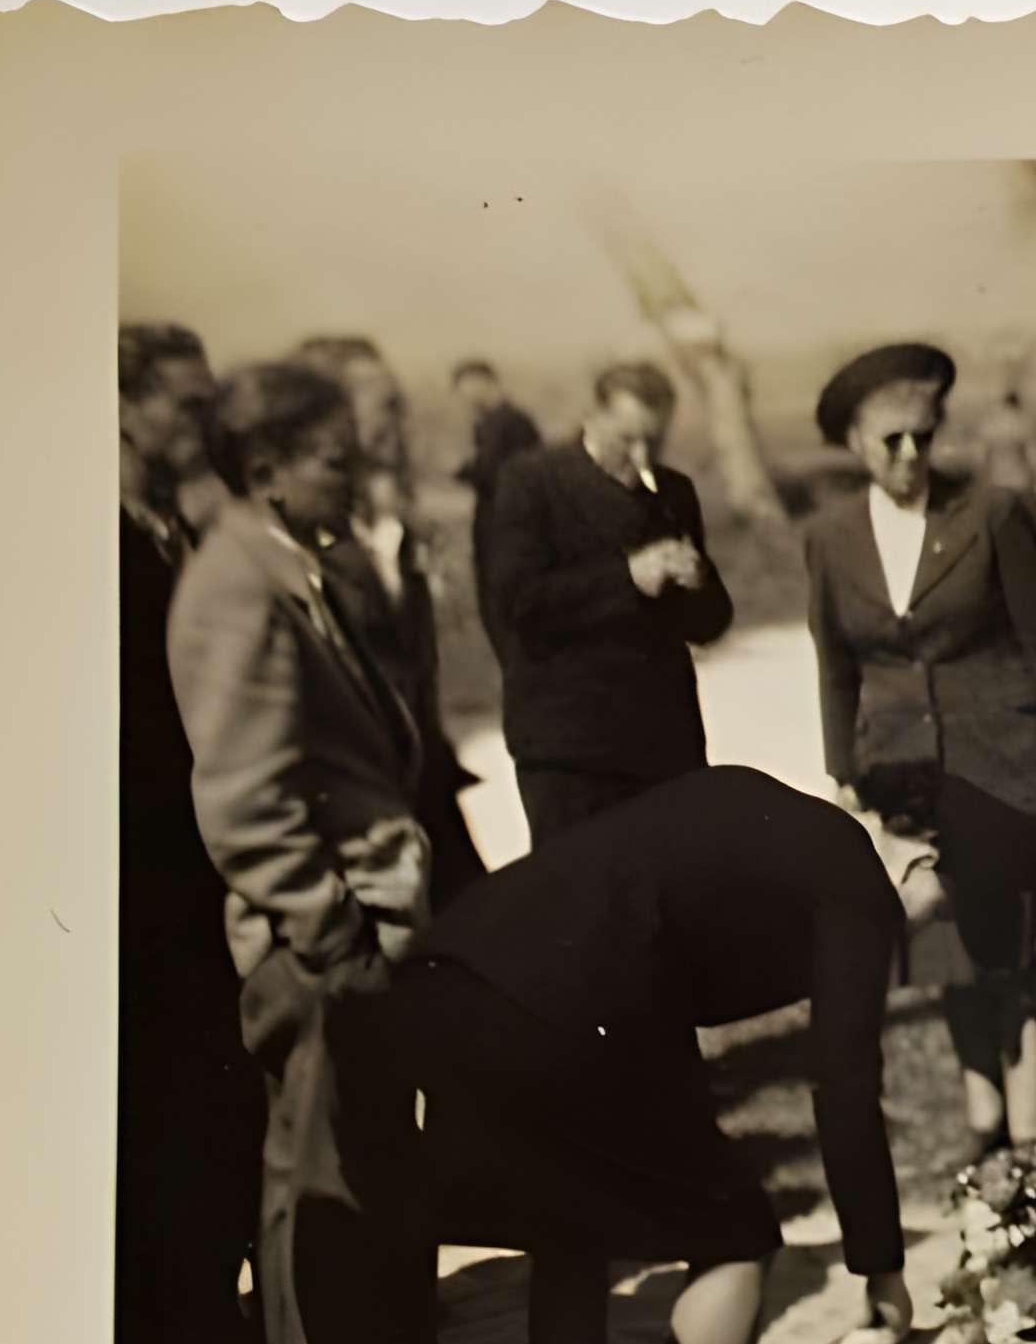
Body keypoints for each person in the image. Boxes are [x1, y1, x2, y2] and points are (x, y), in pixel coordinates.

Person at [391, 767, 928, 1344]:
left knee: (568, 1228)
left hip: (448, 981)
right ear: (924, 859)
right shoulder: (855, 878)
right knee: (736, 1235)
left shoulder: (762, 825)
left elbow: (650, 972)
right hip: (551, 999)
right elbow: (845, 1087)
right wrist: (882, 1266)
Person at [167, 361, 492, 1344]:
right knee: (331, 1189)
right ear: (264, 470)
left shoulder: (295, 565)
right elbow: (245, 801)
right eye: (330, 458)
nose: (350, 475)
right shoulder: (236, 587)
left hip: (361, 924)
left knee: (369, 1171)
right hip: (320, 946)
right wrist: (332, 935)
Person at [109, 322, 282, 1344]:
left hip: (160, 1024)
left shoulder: (150, 540)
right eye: (175, 407)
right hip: (134, 1023)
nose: (199, 430)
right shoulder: (100, 558)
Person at [803, 343, 1036, 1163]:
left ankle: (1031, 1125)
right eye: (888, 441)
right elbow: (835, 663)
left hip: (1001, 757)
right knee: (947, 950)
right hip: (901, 772)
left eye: (921, 439)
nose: (907, 457)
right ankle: (981, 1117)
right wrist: (842, 775)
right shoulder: (829, 537)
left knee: (1016, 941)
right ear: (855, 443)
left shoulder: (993, 514)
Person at [478, 361, 734, 846]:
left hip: (664, 742)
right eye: (627, 440)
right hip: (570, 751)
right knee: (585, 904)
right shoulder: (532, 481)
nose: (641, 458)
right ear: (590, 418)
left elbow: (709, 625)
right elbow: (517, 602)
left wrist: (697, 578)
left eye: (654, 442)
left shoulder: (674, 492)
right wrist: (628, 579)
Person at [294, 336, 489, 912]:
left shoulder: (393, 519)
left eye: (397, 405)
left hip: (426, 782)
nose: (395, 424)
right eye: (382, 407)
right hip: (366, 806)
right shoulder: (303, 535)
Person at [451, 357, 546, 664]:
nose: (465, 398)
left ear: (484, 382)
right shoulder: (509, 421)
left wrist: (465, 469)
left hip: (503, 531)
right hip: (508, 529)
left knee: (503, 614)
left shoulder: (502, 422)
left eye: (466, 388)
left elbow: (491, 470)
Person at [976, 382, 1036, 533]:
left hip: (996, 481)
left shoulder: (990, 425)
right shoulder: (1022, 423)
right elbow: (1032, 456)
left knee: (1000, 519)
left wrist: (982, 480)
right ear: (1017, 404)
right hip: (1020, 481)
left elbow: (981, 457)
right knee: (1022, 519)